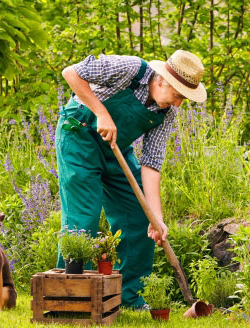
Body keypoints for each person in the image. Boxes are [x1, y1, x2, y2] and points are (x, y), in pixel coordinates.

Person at [55, 50, 206, 308]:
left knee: (139, 216)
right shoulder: (130, 69)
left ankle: (127, 296)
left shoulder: (165, 113)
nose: (178, 104)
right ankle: (72, 298)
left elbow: (152, 163)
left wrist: (156, 218)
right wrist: (101, 113)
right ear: (161, 81)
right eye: (178, 95)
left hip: (115, 149)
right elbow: (71, 73)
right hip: (78, 137)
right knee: (83, 220)